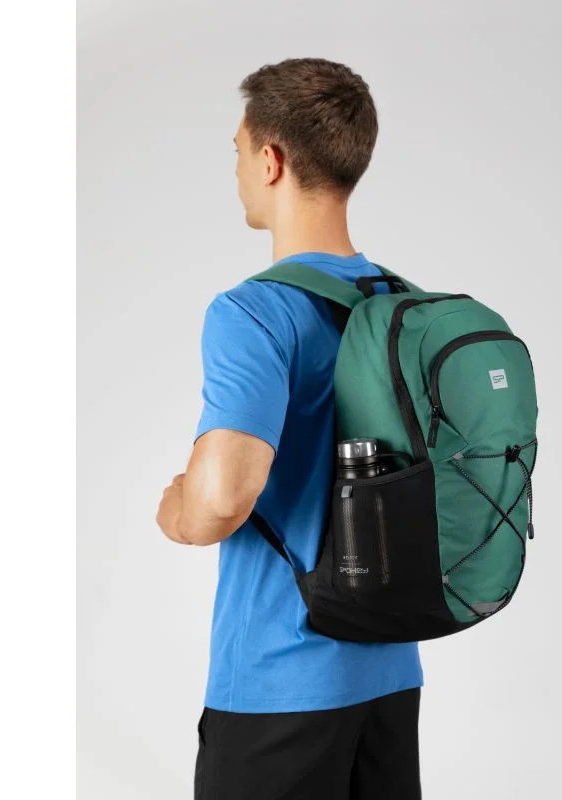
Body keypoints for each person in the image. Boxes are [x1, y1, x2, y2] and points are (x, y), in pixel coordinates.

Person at [155, 57, 423, 800]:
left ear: (270, 160)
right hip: (390, 671)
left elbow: (220, 498)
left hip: (278, 683)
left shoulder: (254, 311)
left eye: (239, 151)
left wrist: (176, 511)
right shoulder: (402, 305)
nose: (238, 170)